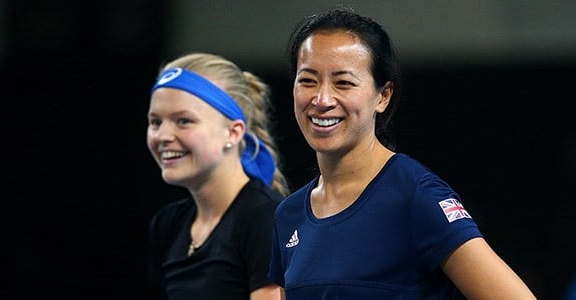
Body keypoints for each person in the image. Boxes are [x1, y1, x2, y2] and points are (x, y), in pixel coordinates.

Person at [267, 7, 537, 299]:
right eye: (307, 80)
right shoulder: (289, 216)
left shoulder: (415, 196)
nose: (321, 99)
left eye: (343, 82)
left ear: (382, 96)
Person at [146, 52, 288, 299]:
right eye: (156, 122)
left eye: (183, 121)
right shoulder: (168, 223)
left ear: (233, 133)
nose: (163, 135)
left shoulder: (265, 219)